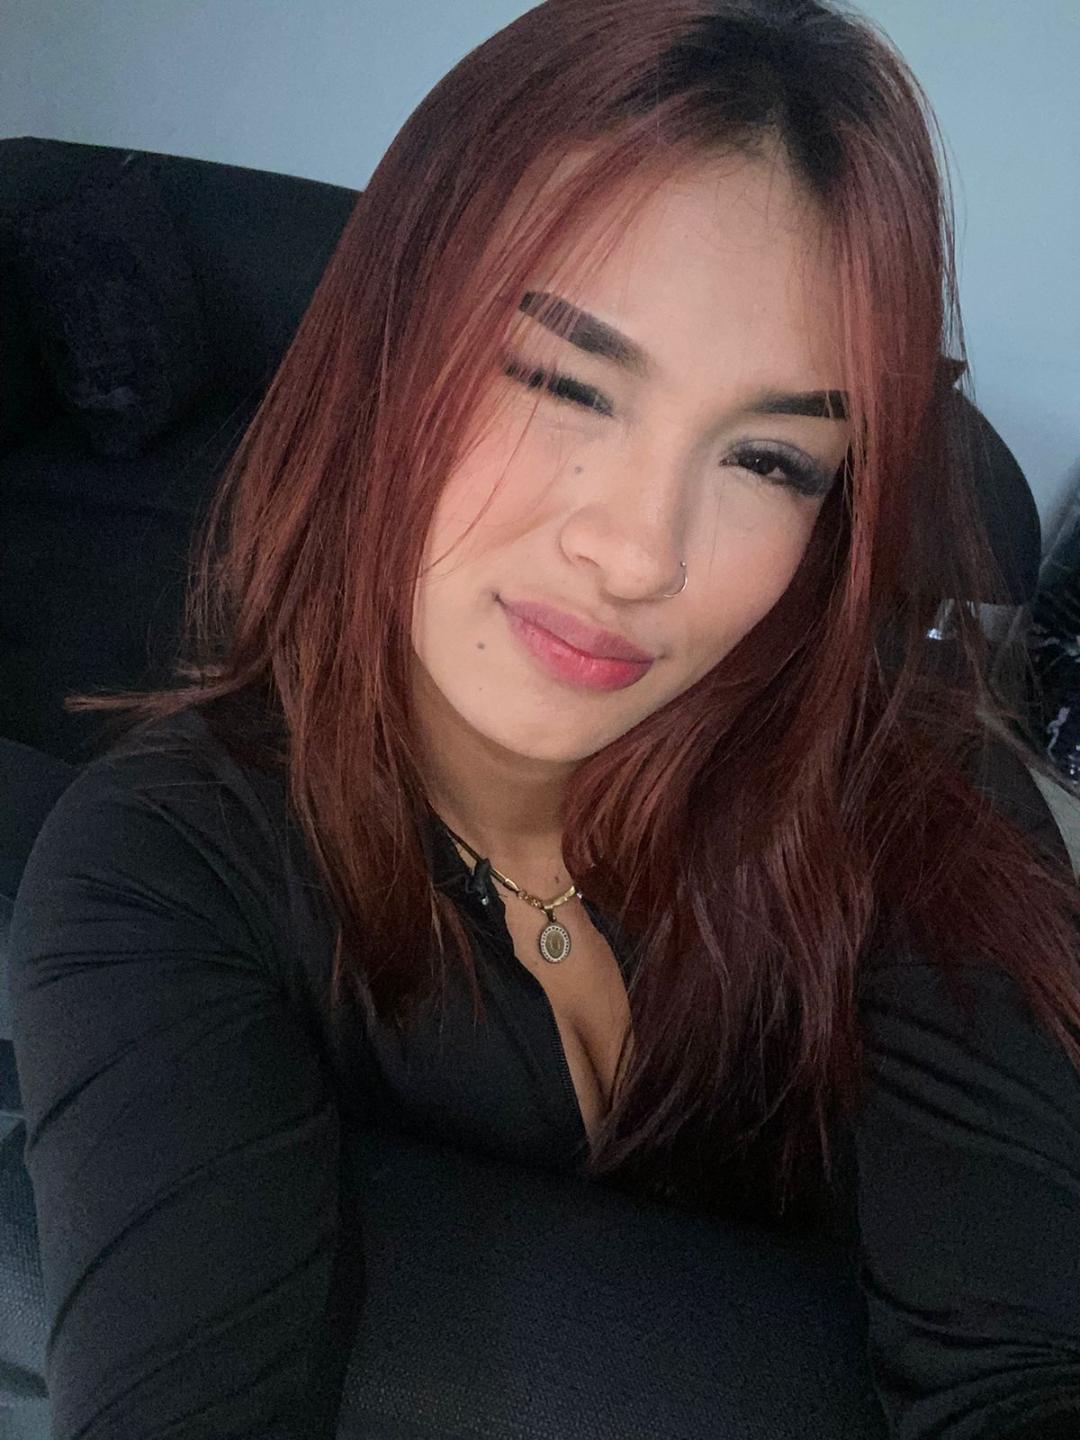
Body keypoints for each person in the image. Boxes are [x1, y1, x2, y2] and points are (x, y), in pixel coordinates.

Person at [9, 1, 1080, 1436]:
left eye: (769, 458)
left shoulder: (907, 783)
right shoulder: (163, 870)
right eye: (564, 381)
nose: (639, 554)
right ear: (387, 351)